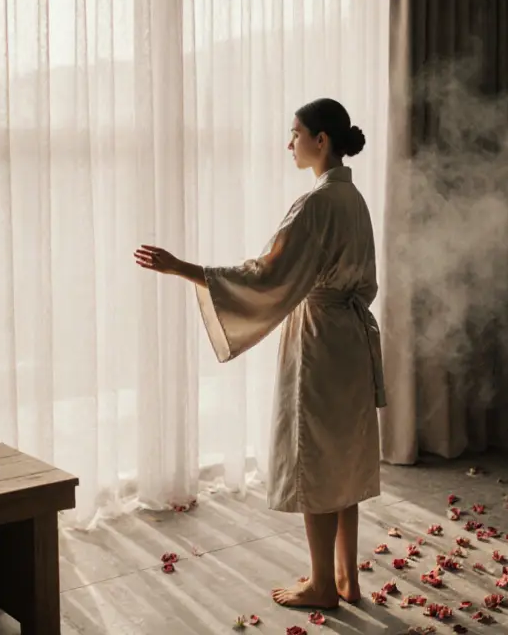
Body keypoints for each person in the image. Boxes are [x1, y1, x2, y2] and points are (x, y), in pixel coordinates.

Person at [133, 98, 385, 610]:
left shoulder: (316, 203)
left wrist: (184, 268)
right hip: (351, 338)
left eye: (295, 133)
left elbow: (266, 274)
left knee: (315, 458)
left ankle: (321, 586)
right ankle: (346, 579)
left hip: (320, 339)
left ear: (321, 140)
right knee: (346, 458)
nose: (288, 143)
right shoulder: (351, 198)